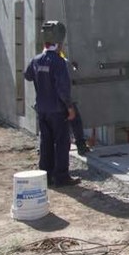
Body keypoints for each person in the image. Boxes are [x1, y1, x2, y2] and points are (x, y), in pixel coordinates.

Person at [23, 21, 80, 187]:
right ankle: (61, 177)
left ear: (44, 43)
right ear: (59, 43)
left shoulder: (36, 60)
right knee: (62, 143)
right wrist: (69, 108)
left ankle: (45, 176)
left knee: (46, 142)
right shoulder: (59, 62)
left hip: (42, 109)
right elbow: (62, 89)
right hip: (57, 110)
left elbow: (27, 76)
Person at [57, 43, 91, 156]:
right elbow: (74, 75)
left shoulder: (40, 61)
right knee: (75, 121)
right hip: (66, 99)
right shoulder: (64, 62)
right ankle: (80, 145)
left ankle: (49, 149)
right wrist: (75, 67)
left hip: (50, 101)